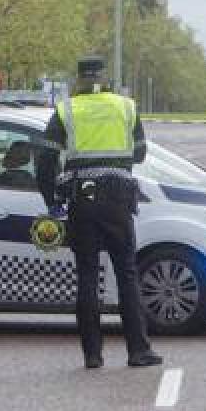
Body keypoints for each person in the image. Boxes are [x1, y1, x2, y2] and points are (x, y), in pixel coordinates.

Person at [35, 56, 162, 370]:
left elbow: (45, 159)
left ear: (79, 79)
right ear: (105, 78)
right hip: (118, 201)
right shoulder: (126, 107)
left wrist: (51, 198)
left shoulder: (67, 110)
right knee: (127, 274)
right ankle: (138, 350)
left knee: (88, 277)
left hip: (82, 201)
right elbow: (141, 151)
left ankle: (92, 355)